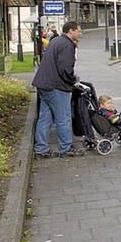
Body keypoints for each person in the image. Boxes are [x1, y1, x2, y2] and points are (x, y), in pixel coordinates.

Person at [32, 21, 84, 158]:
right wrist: (73, 81)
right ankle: (66, 148)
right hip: (57, 86)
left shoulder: (55, 41)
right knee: (63, 118)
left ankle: (41, 149)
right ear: (71, 31)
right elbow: (65, 69)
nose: (80, 33)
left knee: (45, 118)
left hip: (43, 84)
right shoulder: (67, 45)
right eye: (78, 31)